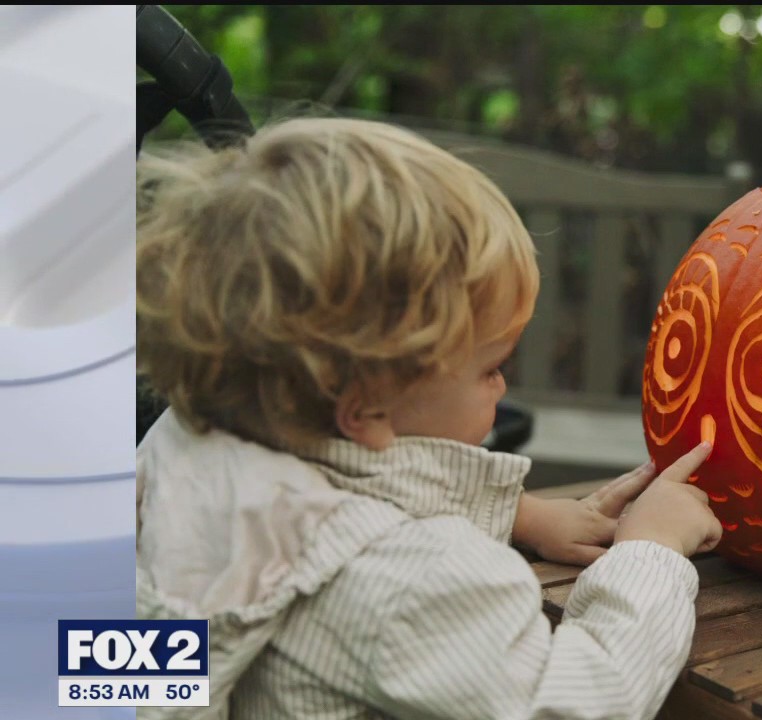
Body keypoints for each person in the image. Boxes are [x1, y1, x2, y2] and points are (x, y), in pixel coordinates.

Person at [134, 117, 723, 720]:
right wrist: (652, 550)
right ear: (366, 408)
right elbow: (583, 703)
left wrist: (524, 514)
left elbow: (348, 487)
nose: (503, 383)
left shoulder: (182, 446)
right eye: (491, 366)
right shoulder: (413, 582)